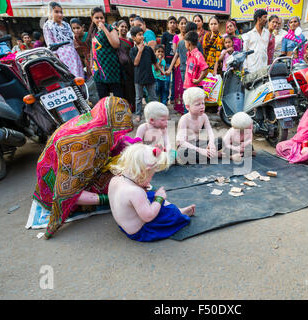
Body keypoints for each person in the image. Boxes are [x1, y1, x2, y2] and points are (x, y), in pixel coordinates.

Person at [32, 96, 141, 239]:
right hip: (56, 183)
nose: (118, 134)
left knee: (123, 172)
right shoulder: (81, 147)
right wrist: (110, 197)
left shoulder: (95, 124)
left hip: (61, 167)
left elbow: (118, 142)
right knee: (119, 182)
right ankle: (102, 196)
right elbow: (67, 192)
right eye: (116, 130)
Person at [108, 143, 195, 242]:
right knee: (170, 212)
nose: (151, 179)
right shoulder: (135, 192)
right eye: (152, 175)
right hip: (143, 231)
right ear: (144, 172)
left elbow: (126, 199)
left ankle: (175, 209)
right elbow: (148, 217)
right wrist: (159, 199)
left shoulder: (115, 179)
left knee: (150, 195)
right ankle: (180, 213)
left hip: (125, 224)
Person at [87, 7, 122, 99]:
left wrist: (104, 29)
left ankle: (119, 112)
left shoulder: (110, 28)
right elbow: (92, 50)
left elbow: (116, 44)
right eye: (96, 18)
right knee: (102, 96)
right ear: (92, 18)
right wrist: (91, 65)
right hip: (98, 69)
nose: (99, 20)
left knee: (117, 95)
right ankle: (105, 113)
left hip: (111, 67)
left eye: (101, 17)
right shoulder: (93, 32)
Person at [176, 87, 217, 164]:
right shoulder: (184, 119)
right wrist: (200, 150)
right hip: (187, 147)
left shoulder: (204, 116)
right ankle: (214, 154)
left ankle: (208, 154)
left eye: (203, 103)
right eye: (198, 104)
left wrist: (211, 143)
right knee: (182, 153)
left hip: (198, 143)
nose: (202, 106)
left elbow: (210, 131)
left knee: (221, 141)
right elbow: (181, 141)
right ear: (187, 107)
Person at [43, 2, 84, 78]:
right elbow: (50, 45)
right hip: (61, 58)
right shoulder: (48, 25)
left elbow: (72, 40)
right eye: (56, 12)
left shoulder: (66, 24)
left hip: (73, 54)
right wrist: (57, 63)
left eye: (61, 12)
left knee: (79, 79)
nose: (60, 15)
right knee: (70, 79)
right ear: (50, 12)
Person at [130, 26, 158, 123]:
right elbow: (135, 63)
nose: (142, 37)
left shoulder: (149, 49)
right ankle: (138, 114)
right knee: (138, 98)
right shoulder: (133, 51)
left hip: (149, 76)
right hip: (138, 78)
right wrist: (140, 50)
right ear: (133, 37)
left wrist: (160, 70)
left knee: (153, 97)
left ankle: (155, 113)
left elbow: (154, 61)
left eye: (142, 35)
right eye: (139, 35)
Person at [117, 19, 136, 111]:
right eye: (122, 26)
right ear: (117, 28)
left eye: (126, 27)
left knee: (131, 87)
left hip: (130, 67)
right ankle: (124, 106)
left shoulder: (130, 41)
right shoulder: (116, 40)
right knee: (122, 87)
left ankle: (132, 105)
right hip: (120, 67)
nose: (124, 28)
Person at [161, 16, 177, 104]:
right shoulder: (165, 35)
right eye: (171, 22)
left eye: (174, 23)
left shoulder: (177, 36)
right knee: (166, 82)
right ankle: (165, 99)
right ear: (167, 24)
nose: (172, 24)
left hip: (175, 62)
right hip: (167, 61)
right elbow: (162, 49)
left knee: (175, 82)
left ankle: (173, 98)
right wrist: (162, 60)